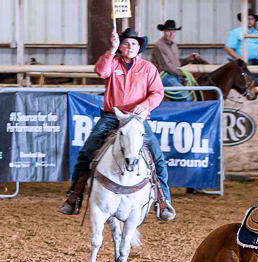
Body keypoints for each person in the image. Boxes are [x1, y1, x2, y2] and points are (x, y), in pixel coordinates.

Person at [60, 27, 174, 220]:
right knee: (86, 153)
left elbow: (157, 92)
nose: (130, 47)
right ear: (120, 46)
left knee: (157, 156)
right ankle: (74, 195)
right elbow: (101, 71)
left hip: (138, 119)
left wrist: (145, 104)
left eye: (134, 44)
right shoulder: (112, 63)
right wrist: (111, 50)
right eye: (126, 43)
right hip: (112, 115)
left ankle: (163, 202)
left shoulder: (148, 68)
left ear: (139, 47)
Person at [152, 20, 194, 102]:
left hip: (175, 75)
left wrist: (188, 59)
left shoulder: (174, 45)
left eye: (173, 32)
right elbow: (167, 66)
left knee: (192, 93)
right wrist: (181, 72)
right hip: (165, 76)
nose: (171, 34)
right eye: (168, 31)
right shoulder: (159, 46)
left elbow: (176, 63)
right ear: (164, 31)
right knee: (186, 97)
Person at [225, 11, 258, 82]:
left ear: (254, 20)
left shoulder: (257, 33)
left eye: (251, 19)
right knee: (248, 72)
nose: (249, 21)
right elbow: (228, 47)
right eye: (247, 19)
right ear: (243, 20)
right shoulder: (235, 32)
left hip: (257, 61)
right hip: (245, 60)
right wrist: (238, 58)